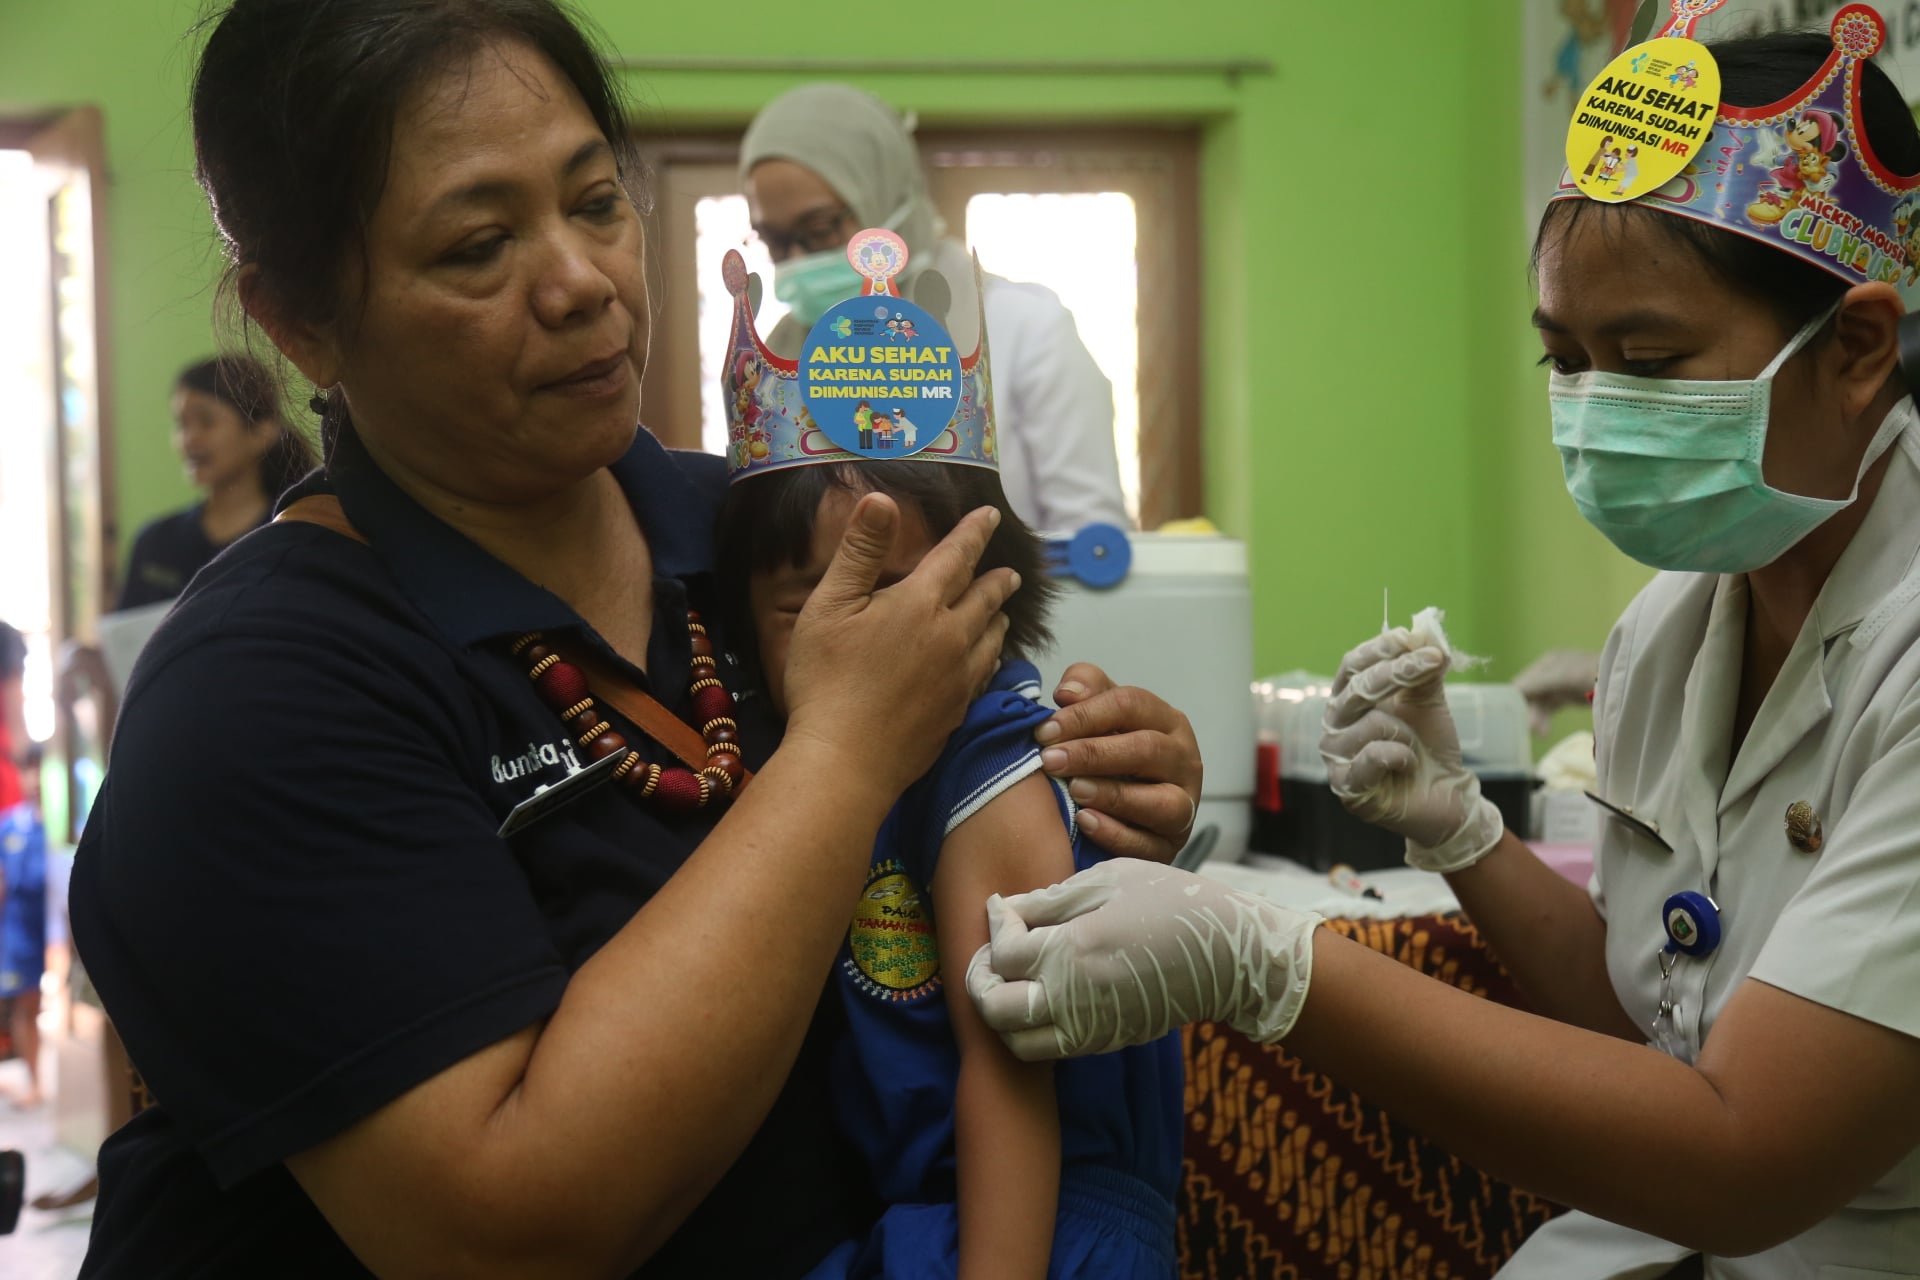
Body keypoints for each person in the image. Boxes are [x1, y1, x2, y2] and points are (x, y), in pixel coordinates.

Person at [68, 3, 1202, 1276]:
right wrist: (842, 753)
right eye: (481, 244)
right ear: (301, 320)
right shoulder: (259, 696)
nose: (580, 281)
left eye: (597, 202)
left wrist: (1093, 789)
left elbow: (973, 815)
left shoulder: (774, 537)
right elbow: (513, 1231)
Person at [968, 20, 1920, 1279]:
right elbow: (1651, 1027)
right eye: (1565, 362)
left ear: (1856, 351)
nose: (1594, 412)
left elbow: (1743, 1152)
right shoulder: (1677, 623)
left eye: (1648, 361)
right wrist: (1459, 828)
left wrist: (1269, 957)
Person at [718, 453, 1182, 1276]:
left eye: (896, 593)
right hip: (936, 1219)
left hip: (1036, 1230)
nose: (859, 637)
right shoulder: (820, 769)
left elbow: (1014, 1070)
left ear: (990, 599)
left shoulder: (983, 760)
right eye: (806, 606)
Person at [740, 83, 1131, 533]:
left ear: (890, 200)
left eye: (822, 228)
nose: (796, 262)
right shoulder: (779, 356)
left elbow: (1090, 543)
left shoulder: (1023, 332)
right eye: (774, 241)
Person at [115, 354, 315, 610]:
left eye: (206, 422)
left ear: (262, 432)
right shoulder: (154, 544)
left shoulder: (293, 543)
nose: (189, 439)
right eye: (181, 424)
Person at [0, 745, 47, 1107]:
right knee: (25, 1004)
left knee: (39, 1003)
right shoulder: (9, 826)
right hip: (19, 933)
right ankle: (35, 1080)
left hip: (55, 926)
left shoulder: (61, 823)